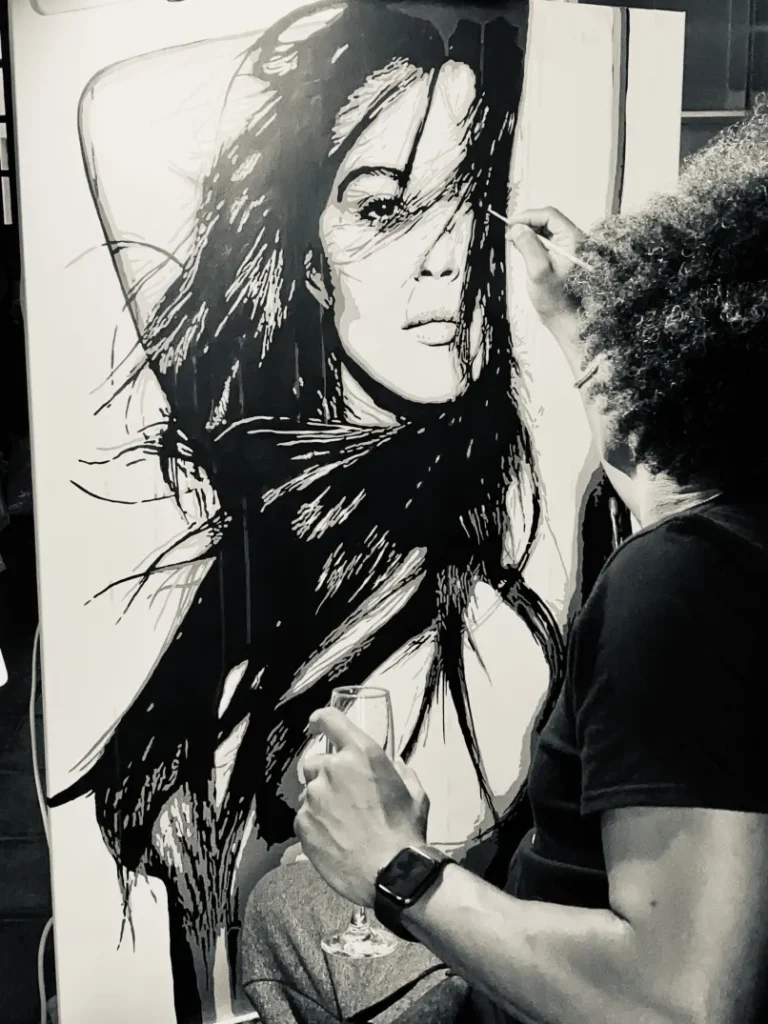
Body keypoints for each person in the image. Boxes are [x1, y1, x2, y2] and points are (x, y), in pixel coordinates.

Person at [49, 5, 621, 1021]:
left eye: (467, 195)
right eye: (384, 207)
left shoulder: (508, 559)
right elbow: (111, 105)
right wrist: (393, 42)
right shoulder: (264, 492)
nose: (446, 252)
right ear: (306, 256)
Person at [241, 109, 768, 1024]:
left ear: (683, 356)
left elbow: (682, 1004)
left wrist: (395, 865)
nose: (445, 261)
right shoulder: (731, 532)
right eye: (386, 208)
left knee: (285, 903)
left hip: (540, 998)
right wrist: (581, 328)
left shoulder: (682, 582)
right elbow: (649, 471)